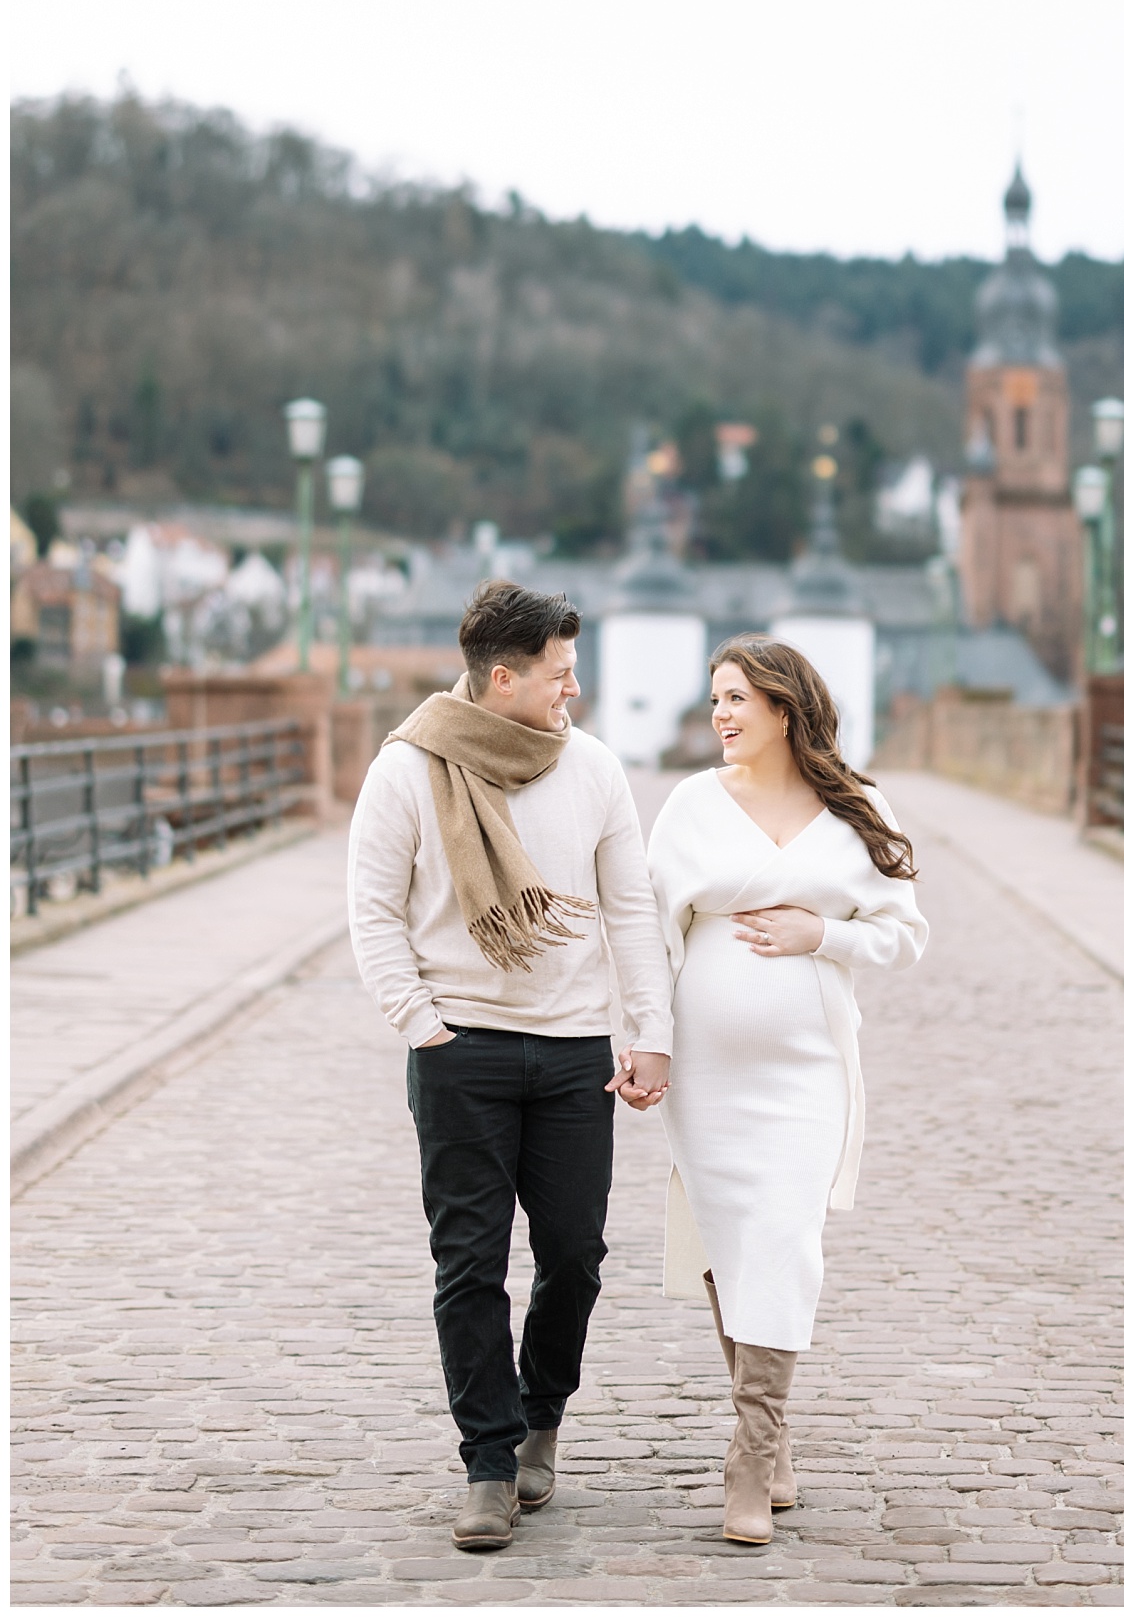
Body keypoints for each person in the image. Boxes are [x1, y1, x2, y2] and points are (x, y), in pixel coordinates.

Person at [348, 580, 673, 1552]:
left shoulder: (598, 772)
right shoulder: (409, 769)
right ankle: (489, 1462)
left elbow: (630, 910)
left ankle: (542, 1417)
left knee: (574, 1254)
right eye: (560, 674)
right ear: (503, 679)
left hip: (575, 1053)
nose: (575, 689)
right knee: (470, 1267)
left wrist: (646, 1028)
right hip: (463, 1054)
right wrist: (422, 1025)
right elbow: (373, 909)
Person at [640, 634, 928, 1546]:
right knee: (731, 1243)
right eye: (716, 698)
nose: (720, 714)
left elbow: (903, 931)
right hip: (709, 1073)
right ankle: (771, 1441)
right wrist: (648, 1042)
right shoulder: (689, 805)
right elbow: (650, 932)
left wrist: (824, 936)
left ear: (785, 709)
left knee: (784, 1240)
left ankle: (748, 1461)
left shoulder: (856, 807)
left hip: (806, 1071)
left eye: (737, 700)